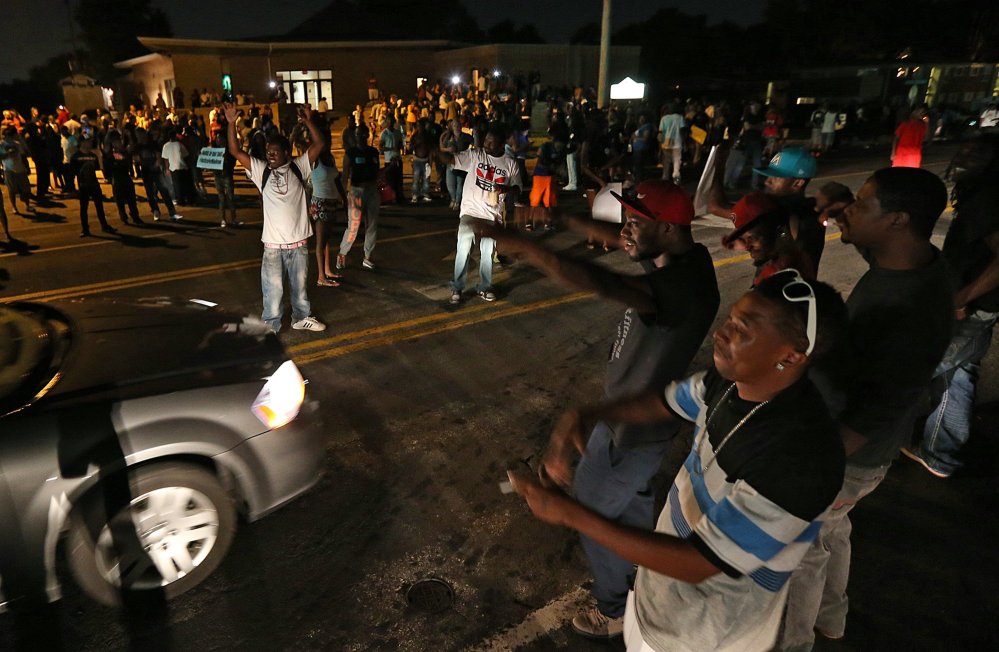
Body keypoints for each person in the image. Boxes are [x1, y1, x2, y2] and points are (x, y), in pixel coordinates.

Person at [510, 270, 849, 651]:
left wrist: (568, 513)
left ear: (790, 355)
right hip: (659, 593)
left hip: (705, 631)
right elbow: (663, 402)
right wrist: (585, 414)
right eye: (731, 318)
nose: (722, 332)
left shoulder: (800, 458)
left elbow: (697, 563)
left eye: (744, 328)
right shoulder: (728, 384)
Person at [487, 180, 720, 640]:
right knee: (631, 505)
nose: (625, 232)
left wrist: (533, 250)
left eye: (635, 222)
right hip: (634, 424)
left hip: (628, 430)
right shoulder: (685, 256)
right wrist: (557, 219)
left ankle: (613, 608)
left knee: (595, 521)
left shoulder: (678, 286)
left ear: (669, 229)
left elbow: (604, 281)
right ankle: (639, 577)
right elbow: (620, 241)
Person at [780, 167, 955, 651]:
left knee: (801, 552)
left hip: (850, 454)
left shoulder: (912, 311)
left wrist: (813, 465)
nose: (849, 210)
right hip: (861, 455)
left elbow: (881, 405)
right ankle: (832, 619)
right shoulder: (912, 262)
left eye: (863, 203)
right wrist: (849, 215)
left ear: (897, 220)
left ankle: (793, 643)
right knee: (833, 533)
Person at [902, 135, 999, 478]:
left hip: (971, 309)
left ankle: (860, 447)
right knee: (958, 375)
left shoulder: (987, 201)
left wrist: (962, 298)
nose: (965, 153)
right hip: (975, 306)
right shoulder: (979, 194)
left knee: (908, 371)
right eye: (967, 147)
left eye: (978, 152)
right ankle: (940, 454)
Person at [222, 102, 327, 333]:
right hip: (272, 246)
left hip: (298, 244)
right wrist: (231, 124)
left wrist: (308, 121)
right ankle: (270, 324)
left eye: (274, 152)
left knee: (300, 288)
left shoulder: (300, 166)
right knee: (273, 289)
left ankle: (301, 317)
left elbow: (319, 143)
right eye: (268, 151)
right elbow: (235, 151)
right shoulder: (262, 170)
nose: (269, 155)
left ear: (286, 153)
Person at [438, 122, 522, 304]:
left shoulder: (510, 164)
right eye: (486, 141)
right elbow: (452, 159)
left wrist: (504, 188)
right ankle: (457, 288)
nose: (486, 145)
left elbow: (517, 190)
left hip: (492, 215)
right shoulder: (476, 155)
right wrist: (435, 151)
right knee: (463, 250)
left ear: (501, 145)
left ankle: (485, 287)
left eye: (491, 143)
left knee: (487, 254)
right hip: (470, 211)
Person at [722, 191, 815, 285]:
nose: (748, 247)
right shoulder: (776, 252)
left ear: (772, 227)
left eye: (752, 238)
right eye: (742, 238)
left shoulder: (783, 271)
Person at [338, 123, 381, 271]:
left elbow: (377, 171)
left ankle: (368, 257)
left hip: (372, 190)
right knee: (354, 226)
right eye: (357, 134)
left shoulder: (373, 152)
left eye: (362, 134)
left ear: (367, 136)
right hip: (356, 191)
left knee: (372, 225)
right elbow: (345, 175)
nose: (360, 137)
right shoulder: (351, 153)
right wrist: (342, 194)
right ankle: (342, 254)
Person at [310, 131, 348, 283]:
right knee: (320, 241)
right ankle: (321, 277)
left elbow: (337, 181)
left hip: (331, 203)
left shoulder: (329, 159)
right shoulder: (314, 159)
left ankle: (327, 270)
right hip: (319, 203)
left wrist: (344, 200)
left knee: (326, 240)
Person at [70, 137, 116, 237]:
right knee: (84, 208)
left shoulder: (93, 155)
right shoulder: (75, 157)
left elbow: (95, 169)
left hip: (94, 184)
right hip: (83, 186)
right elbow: (72, 173)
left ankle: (104, 225)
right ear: (82, 143)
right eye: (88, 142)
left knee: (99, 206)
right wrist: (72, 188)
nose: (90, 143)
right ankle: (85, 229)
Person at [0, 128, 33, 215]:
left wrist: (26, 167)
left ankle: (27, 205)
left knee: (25, 188)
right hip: (8, 169)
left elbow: (22, 156)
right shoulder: (1, 145)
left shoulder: (17, 144)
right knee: (11, 190)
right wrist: (8, 154)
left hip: (20, 168)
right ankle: (14, 207)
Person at [657, 103, 684, 184]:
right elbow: (682, 130)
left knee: (666, 162)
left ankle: (665, 179)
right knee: (677, 161)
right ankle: (676, 179)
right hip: (677, 142)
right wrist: (684, 142)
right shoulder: (680, 117)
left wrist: (659, 146)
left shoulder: (664, 119)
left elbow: (661, 132)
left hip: (666, 143)